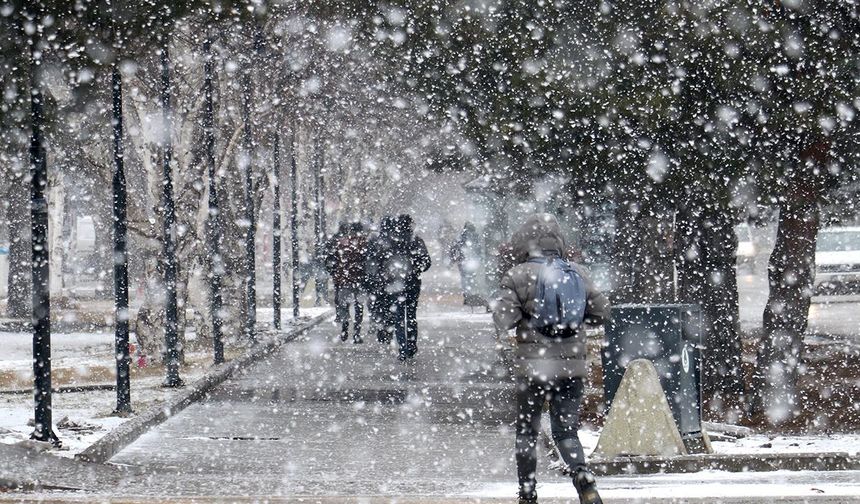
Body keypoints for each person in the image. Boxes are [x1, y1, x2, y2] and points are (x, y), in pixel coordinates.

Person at [492, 213, 609, 504]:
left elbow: (504, 318)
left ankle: (528, 492)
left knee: (527, 431)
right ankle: (582, 474)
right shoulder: (577, 273)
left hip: (534, 368)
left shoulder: (517, 275)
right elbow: (602, 311)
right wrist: (575, 323)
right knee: (566, 429)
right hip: (572, 366)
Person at [380, 214, 431, 360]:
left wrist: (389, 275)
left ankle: (402, 348)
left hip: (396, 284)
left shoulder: (390, 242)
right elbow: (426, 262)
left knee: (399, 316)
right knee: (411, 315)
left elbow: (383, 262)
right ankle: (411, 345)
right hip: (413, 283)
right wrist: (416, 269)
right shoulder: (416, 241)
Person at [324, 221, 368, 343]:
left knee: (345, 306)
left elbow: (330, 260)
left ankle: (344, 329)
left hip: (344, 280)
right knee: (359, 308)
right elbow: (369, 263)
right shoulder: (364, 244)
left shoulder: (341, 243)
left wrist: (335, 273)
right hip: (359, 280)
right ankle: (357, 334)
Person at [365, 216, 396, 343]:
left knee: (378, 304)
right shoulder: (395, 240)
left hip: (377, 279)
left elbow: (369, 258)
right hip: (390, 279)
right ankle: (388, 328)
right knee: (390, 304)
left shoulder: (374, 240)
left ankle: (381, 327)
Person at [449, 222, 486, 307]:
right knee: (470, 276)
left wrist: (454, 259)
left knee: (464, 277)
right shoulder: (475, 236)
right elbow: (478, 248)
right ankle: (470, 293)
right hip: (471, 260)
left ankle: (467, 294)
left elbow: (455, 247)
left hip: (463, 260)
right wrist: (478, 258)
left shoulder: (461, 236)